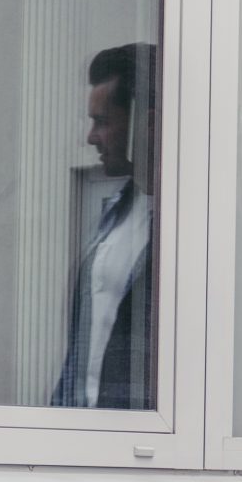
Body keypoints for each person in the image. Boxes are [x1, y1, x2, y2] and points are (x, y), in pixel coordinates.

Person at [52, 41, 159, 411]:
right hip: (86, 441)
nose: (91, 137)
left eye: (102, 121)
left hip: (139, 453)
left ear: (146, 123)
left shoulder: (191, 231)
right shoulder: (116, 212)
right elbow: (81, 358)